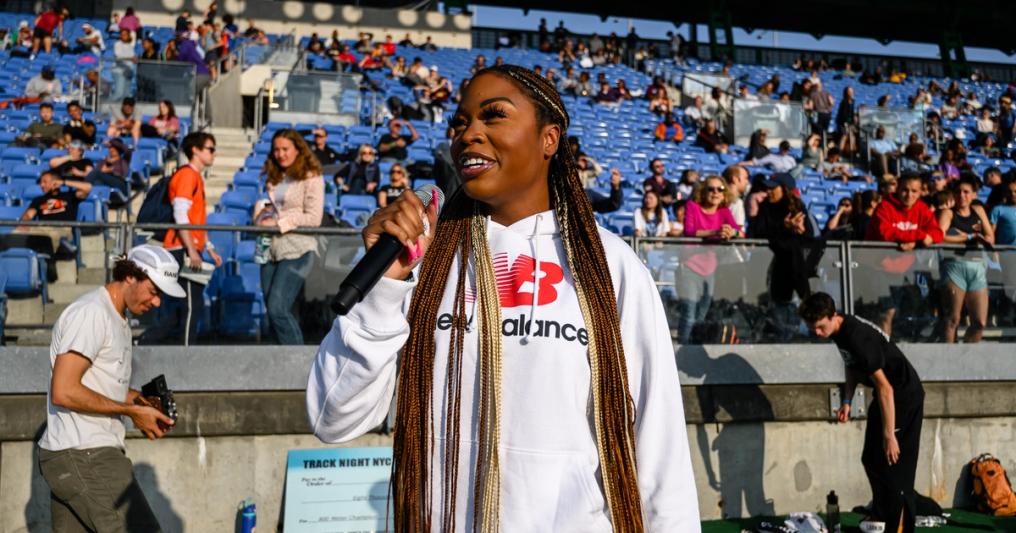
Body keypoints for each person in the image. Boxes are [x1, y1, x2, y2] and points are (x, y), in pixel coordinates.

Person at [306, 64, 699, 530]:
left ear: (549, 139)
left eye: (493, 116)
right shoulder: (425, 263)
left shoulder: (611, 265)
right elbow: (333, 419)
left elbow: (659, 444)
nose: (469, 133)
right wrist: (385, 286)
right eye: (460, 122)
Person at [37, 245, 181, 533]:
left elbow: (99, 386)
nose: (156, 302)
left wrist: (142, 403)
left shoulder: (117, 318)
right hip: (85, 452)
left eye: (161, 295)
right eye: (153, 291)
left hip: (77, 454)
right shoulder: (92, 313)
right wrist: (131, 411)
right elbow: (64, 391)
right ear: (130, 276)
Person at [799, 292, 924, 533]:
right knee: (871, 458)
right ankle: (881, 513)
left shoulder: (857, 337)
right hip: (885, 397)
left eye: (820, 327)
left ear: (833, 316)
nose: (817, 333)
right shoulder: (838, 331)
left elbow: (886, 387)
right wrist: (847, 399)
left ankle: (899, 525)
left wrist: (889, 435)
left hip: (903, 397)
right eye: (812, 328)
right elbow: (851, 364)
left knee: (894, 465)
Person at [140, 132, 223, 345]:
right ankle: (185, 354)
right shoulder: (188, 175)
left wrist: (208, 246)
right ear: (195, 150)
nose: (214, 154)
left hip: (187, 247)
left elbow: (195, 219)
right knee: (190, 308)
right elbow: (180, 214)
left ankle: (144, 343)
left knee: (182, 309)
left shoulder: (194, 176)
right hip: (181, 249)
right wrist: (192, 249)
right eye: (210, 149)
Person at [252, 130, 325, 345]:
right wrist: (262, 215)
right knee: (270, 308)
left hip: (298, 248)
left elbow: (314, 218)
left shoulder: (312, 176)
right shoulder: (276, 176)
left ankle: (297, 367)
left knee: (278, 308)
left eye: (285, 149)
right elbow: (275, 209)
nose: (280, 154)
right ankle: (278, 367)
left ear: (298, 150)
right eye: (276, 150)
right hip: (270, 247)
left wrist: (278, 222)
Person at [865, 172, 944, 337]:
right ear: (897, 189)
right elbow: (885, 233)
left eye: (914, 191)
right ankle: (884, 352)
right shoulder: (884, 206)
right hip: (879, 268)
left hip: (906, 270)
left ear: (921, 191)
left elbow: (937, 233)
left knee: (908, 313)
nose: (909, 195)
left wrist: (914, 242)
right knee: (886, 314)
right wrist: (921, 236)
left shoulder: (921, 208)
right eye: (905, 190)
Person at [748, 172, 815, 340]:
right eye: (767, 188)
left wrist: (801, 231)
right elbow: (757, 232)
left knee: (797, 308)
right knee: (779, 311)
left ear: (785, 189)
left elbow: (809, 236)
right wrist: (784, 227)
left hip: (797, 268)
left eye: (773, 188)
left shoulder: (797, 206)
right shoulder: (765, 207)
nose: (769, 191)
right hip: (773, 266)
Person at [678, 175, 742, 343]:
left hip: (710, 268)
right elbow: (690, 232)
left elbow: (739, 231)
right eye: (711, 189)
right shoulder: (693, 206)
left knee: (702, 314)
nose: (716, 192)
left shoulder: (724, 211)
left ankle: (695, 348)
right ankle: (682, 349)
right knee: (689, 313)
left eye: (720, 189)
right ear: (703, 191)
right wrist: (716, 232)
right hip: (690, 266)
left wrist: (731, 232)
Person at [937, 176, 994, 343]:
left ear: (974, 195)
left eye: (966, 192)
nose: (961, 195)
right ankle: (947, 361)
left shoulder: (978, 210)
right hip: (954, 265)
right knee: (952, 319)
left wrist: (978, 237)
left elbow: (990, 236)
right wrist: (968, 237)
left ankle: (967, 358)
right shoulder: (948, 213)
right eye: (957, 192)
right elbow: (939, 236)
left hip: (977, 266)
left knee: (980, 322)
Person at [17, 170, 92, 253]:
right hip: (41, 228)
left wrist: (63, 182)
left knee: (48, 236)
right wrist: (24, 223)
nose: (41, 185)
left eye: (45, 182)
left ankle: (49, 263)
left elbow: (88, 187)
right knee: (16, 233)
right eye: (41, 182)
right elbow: (28, 215)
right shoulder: (38, 200)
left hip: (63, 229)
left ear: (55, 182)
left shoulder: (69, 196)